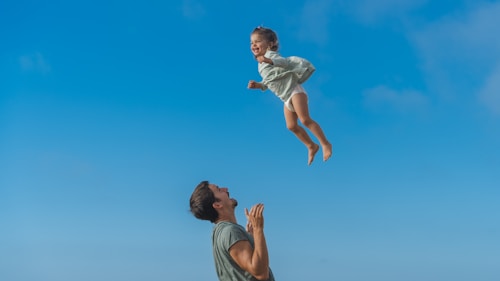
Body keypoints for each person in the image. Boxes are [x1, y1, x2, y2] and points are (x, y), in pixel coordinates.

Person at [248, 26, 333, 165]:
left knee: (305, 120)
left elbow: (285, 62)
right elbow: (271, 80)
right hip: (286, 98)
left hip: (295, 91)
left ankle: (325, 143)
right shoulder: (261, 64)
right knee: (291, 126)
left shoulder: (270, 56)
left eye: (257, 41)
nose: (254, 45)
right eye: (252, 43)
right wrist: (259, 85)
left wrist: (270, 60)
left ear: (270, 44)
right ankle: (311, 145)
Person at [190, 180, 275, 281]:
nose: (225, 189)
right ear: (217, 205)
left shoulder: (219, 233)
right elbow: (260, 273)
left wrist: (253, 237)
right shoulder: (230, 231)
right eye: (219, 189)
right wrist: (258, 229)